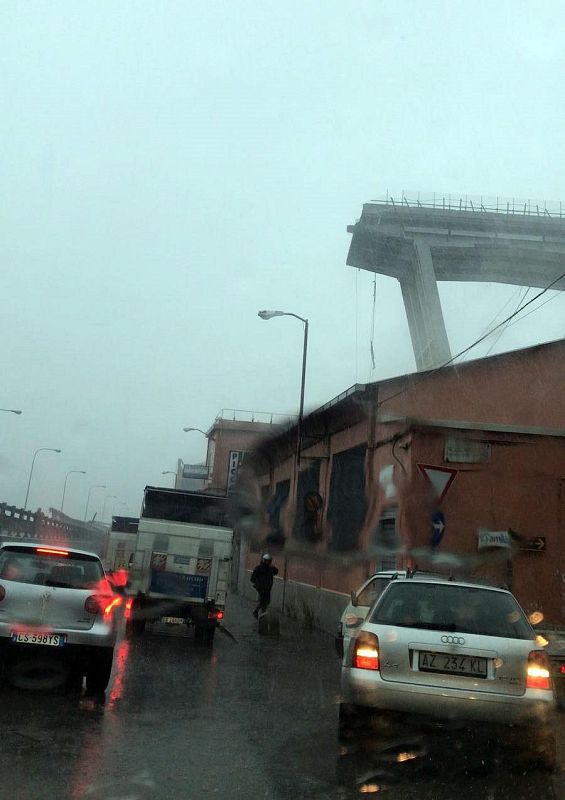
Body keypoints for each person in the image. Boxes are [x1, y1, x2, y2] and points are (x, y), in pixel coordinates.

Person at [251, 553, 278, 618]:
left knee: (266, 601)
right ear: (264, 560)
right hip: (262, 587)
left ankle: (259, 612)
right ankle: (259, 612)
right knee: (264, 600)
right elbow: (253, 578)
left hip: (267, 587)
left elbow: (276, 571)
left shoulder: (270, 568)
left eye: (269, 561)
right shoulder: (260, 568)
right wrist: (258, 583)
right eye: (267, 561)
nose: (268, 562)